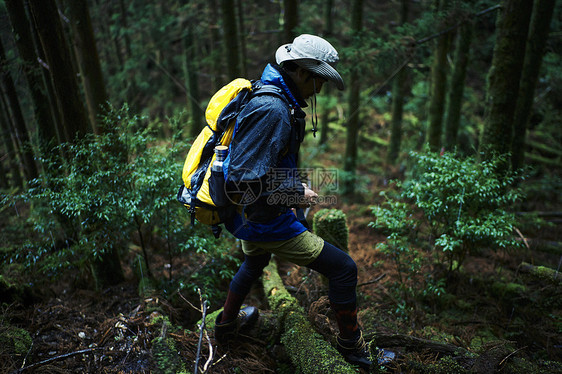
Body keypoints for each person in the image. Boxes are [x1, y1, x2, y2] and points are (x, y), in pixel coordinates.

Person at [214, 34, 389, 369]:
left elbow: (263, 165)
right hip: (265, 220)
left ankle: (224, 326)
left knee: (253, 265)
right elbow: (242, 180)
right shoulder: (273, 109)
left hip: (252, 216)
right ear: (300, 72)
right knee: (344, 268)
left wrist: (294, 185)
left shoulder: (274, 94)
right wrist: (296, 193)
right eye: (318, 80)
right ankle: (351, 347)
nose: (319, 90)